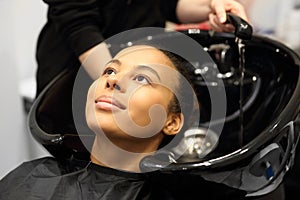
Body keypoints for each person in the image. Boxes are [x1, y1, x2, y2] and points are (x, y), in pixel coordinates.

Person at [0, 44, 248, 199]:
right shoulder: (32, 176)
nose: (112, 81)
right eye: (109, 70)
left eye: (141, 78)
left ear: (172, 122)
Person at [36, 0, 249, 96]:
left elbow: (167, 5)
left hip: (137, 76)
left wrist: (211, 6)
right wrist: (123, 88)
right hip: (79, 80)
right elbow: (79, 27)